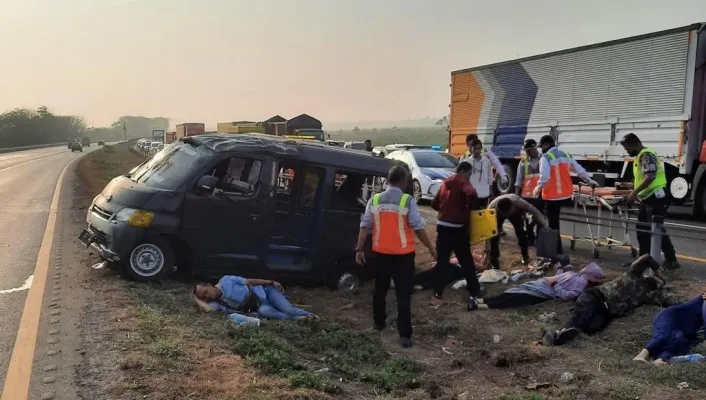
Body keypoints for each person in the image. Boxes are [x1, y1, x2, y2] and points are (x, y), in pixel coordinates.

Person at [355, 165, 436, 348]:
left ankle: (379, 323)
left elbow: (364, 226)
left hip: (381, 254)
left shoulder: (374, 200)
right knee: (403, 295)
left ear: (389, 180)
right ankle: (405, 336)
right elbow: (418, 227)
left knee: (379, 290)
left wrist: (359, 249)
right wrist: (431, 248)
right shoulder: (407, 201)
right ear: (403, 181)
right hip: (403, 256)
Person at [542, 255, 677, 346]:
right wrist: (659, 272)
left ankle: (568, 335)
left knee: (593, 327)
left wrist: (662, 287)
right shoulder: (634, 274)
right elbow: (646, 258)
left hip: (607, 312)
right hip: (597, 296)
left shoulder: (648, 295)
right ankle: (556, 335)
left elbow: (669, 301)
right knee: (581, 314)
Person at [619, 133, 680, 270]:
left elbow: (650, 177)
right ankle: (642, 260)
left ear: (633, 144)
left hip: (656, 197)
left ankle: (671, 260)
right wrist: (630, 187)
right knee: (642, 229)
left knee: (656, 229)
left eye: (627, 148)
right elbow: (643, 177)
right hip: (649, 197)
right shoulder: (640, 156)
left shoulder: (646, 155)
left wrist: (634, 193)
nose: (627, 151)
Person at [430, 161, 483, 310]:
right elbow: (471, 193)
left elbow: (434, 203)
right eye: (470, 174)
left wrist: (443, 210)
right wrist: (471, 207)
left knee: (442, 262)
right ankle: (475, 290)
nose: (469, 178)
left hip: (442, 227)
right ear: (465, 172)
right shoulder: (462, 182)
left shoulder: (445, 183)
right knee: (466, 261)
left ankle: (437, 292)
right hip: (458, 229)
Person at [533, 135, 596, 255]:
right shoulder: (566, 155)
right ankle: (556, 249)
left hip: (552, 196)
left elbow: (544, 177)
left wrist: (537, 188)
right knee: (554, 222)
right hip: (566, 195)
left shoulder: (546, 157)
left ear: (546, 145)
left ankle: (557, 251)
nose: (541, 149)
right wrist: (589, 181)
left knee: (553, 224)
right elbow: (579, 170)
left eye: (542, 147)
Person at [471, 263, 606, 310]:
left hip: (541, 287)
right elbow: (565, 291)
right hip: (541, 288)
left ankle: (479, 303)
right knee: (512, 296)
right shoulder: (579, 279)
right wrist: (556, 283)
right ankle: (479, 303)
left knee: (512, 295)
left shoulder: (577, 278)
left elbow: (565, 292)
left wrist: (555, 284)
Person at [193, 276, 316, 321]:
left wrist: (271, 282)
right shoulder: (219, 303)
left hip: (265, 292)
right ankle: (301, 319)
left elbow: (249, 281)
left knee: (289, 310)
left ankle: (311, 316)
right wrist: (196, 298)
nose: (207, 295)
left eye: (205, 291)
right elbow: (209, 309)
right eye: (204, 296)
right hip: (260, 305)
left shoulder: (226, 280)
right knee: (264, 311)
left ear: (209, 285)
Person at [633, 293, 705, 364]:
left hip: (687, 329)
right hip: (672, 315)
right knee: (664, 335)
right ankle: (642, 355)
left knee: (681, 340)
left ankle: (660, 359)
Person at [487, 194, 548, 269]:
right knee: (494, 238)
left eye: (507, 213)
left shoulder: (518, 202)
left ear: (512, 207)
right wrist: (487, 252)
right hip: (496, 216)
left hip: (514, 214)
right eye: (504, 214)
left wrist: (545, 226)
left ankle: (525, 257)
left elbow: (535, 211)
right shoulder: (491, 209)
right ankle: (495, 264)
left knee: (521, 233)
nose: (506, 215)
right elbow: (487, 234)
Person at [515, 139, 543, 245]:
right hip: (527, 197)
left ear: (535, 148)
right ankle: (531, 239)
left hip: (540, 196)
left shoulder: (543, 159)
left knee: (540, 219)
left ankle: (540, 240)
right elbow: (518, 181)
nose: (527, 152)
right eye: (526, 150)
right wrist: (516, 198)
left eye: (529, 150)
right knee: (528, 220)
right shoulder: (523, 162)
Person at [466, 138, 493, 209]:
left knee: (482, 216)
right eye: (475, 148)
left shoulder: (486, 161)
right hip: (472, 195)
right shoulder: (467, 161)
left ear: (481, 149)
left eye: (478, 148)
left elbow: (490, 177)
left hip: (484, 194)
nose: (476, 151)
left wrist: (491, 192)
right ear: (471, 149)